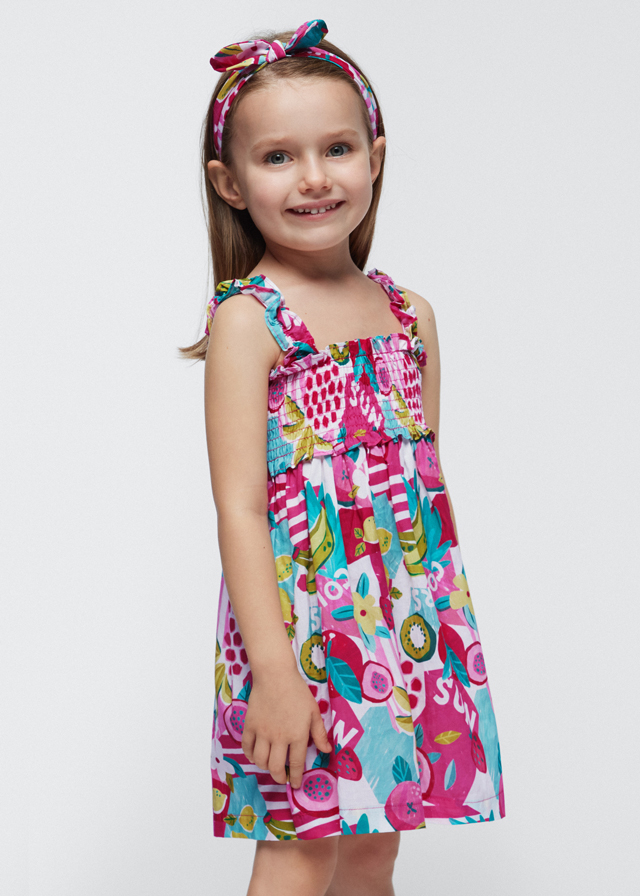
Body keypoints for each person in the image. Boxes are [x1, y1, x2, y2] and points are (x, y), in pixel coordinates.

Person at [180, 18, 505, 896]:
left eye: (337, 149)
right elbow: (241, 506)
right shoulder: (250, 321)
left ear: (375, 157)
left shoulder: (411, 317)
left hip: (408, 627)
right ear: (230, 183)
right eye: (278, 157)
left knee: (374, 848)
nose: (314, 177)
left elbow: (425, 487)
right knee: (300, 848)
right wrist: (274, 673)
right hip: (301, 637)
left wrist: (439, 632)